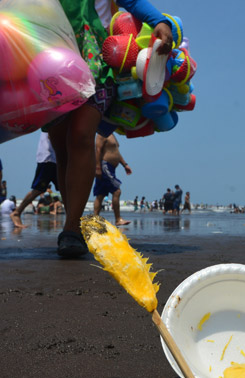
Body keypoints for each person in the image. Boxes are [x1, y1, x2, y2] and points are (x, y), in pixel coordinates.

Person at [46, 0, 173, 257]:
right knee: (61, 147)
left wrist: (159, 21)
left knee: (81, 136)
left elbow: (132, 1)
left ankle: (71, 230)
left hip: (96, 57)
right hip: (49, 55)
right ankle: (74, 223)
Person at [11, 132, 59, 228]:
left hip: (56, 159)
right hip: (48, 158)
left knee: (67, 188)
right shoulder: (52, 122)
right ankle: (17, 212)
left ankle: (73, 221)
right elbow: (52, 134)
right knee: (38, 189)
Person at [93, 133, 132, 226]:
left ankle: (95, 220)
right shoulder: (102, 134)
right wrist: (97, 167)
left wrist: (125, 165)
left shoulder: (111, 134)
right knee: (117, 191)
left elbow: (116, 152)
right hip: (105, 166)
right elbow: (97, 150)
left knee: (101, 194)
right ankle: (118, 219)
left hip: (111, 168)